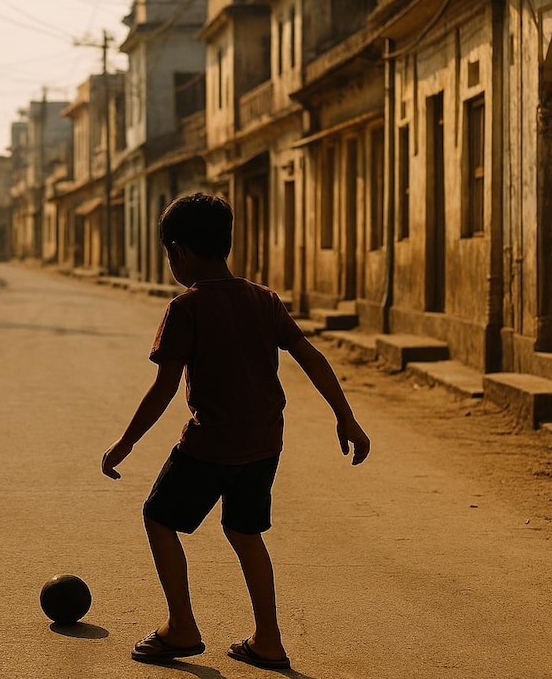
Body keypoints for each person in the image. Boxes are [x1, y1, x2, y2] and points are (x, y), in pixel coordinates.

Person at [101, 193, 370, 670]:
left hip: (210, 445)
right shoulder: (264, 299)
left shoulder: (187, 308)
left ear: (178, 252)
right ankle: (268, 640)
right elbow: (310, 355)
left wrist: (124, 444)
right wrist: (344, 415)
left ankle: (180, 626)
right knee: (245, 532)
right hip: (264, 443)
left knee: (159, 518)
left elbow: (163, 389)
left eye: (168, 255)